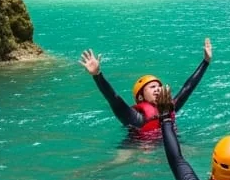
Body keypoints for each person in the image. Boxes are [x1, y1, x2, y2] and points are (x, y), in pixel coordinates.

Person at [78, 37, 212, 139]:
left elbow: (188, 87)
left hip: (166, 144)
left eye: (159, 86)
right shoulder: (135, 117)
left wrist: (205, 62)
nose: (158, 89)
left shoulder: (169, 108)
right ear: (141, 97)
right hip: (137, 148)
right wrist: (97, 75)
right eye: (152, 87)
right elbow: (113, 98)